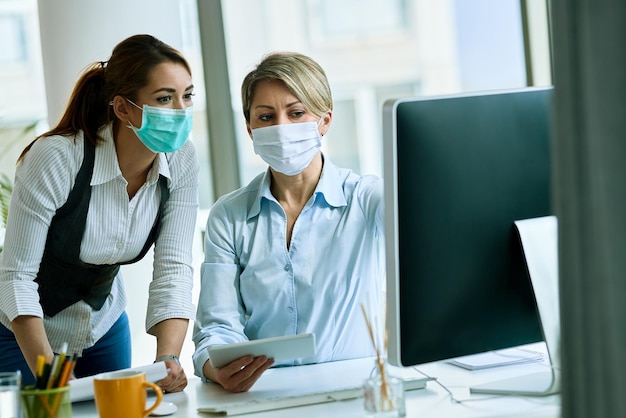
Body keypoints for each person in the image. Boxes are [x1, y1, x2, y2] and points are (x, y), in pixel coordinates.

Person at [0, 34, 199, 393]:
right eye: (164, 99)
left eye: (187, 96)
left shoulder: (182, 159)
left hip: (102, 325)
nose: (181, 112)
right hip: (18, 332)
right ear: (122, 108)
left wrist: (167, 359)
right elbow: (16, 278)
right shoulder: (58, 157)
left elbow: (173, 268)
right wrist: (52, 377)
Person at [192, 52, 384, 393]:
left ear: (324, 121)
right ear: (250, 129)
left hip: (355, 391)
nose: (281, 128)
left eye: (296, 113)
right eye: (266, 117)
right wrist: (216, 367)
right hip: (265, 394)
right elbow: (217, 327)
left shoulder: (367, 199)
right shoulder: (229, 215)